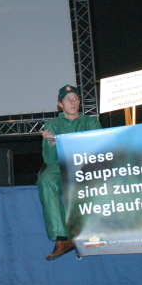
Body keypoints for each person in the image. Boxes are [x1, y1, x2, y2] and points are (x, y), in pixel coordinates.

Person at [38, 85, 102, 260]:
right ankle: (62, 237)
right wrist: (51, 144)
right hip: (61, 166)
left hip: (86, 165)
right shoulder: (52, 125)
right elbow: (49, 160)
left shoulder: (90, 122)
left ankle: (87, 235)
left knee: (89, 180)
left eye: (76, 99)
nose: (73, 102)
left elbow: (99, 148)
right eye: (68, 100)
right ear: (60, 104)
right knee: (46, 180)